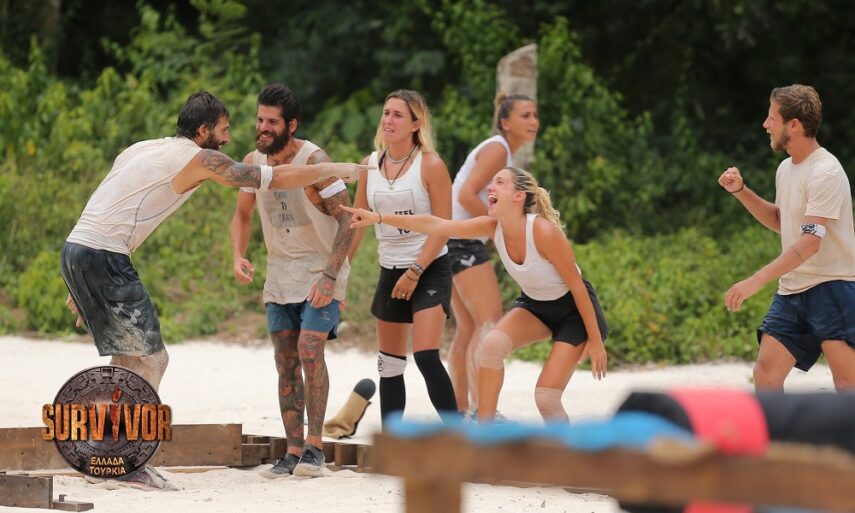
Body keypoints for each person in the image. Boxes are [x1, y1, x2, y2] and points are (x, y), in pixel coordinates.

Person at [61, 91, 359, 489]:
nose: (229, 137)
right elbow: (271, 179)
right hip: (105, 257)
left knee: (126, 357)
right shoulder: (200, 158)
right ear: (203, 131)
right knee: (152, 360)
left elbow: (108, 205)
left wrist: (81, 278)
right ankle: (127, 460)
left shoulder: (141, 148)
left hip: (79, 249)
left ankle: (105, 452)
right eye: (223, 129)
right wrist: (335, 169)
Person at [344, 166, 608, 422]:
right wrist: (379, 218)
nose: (490, 187)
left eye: (500, 182)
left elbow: (577, 287)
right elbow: (436, 225)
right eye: (491, 182)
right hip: (536, 306)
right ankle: (484, 432)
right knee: (491, 346)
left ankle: (565, 451)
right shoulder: (492, 227)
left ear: (519, 196)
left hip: (575, 312)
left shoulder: (543, 231)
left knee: (546, 398)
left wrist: (595, 341)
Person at [231, 84, 353, 478]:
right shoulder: (253, 163)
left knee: (309, 349)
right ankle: (293, 450)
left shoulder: (315, 161)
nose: (263, 128)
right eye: (260, 119)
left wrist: (331, 276)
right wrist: (238, 254)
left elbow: (349, 220)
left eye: (272, 122)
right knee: (284, 360)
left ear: (291, 125)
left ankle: (315, 449)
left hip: (320, 271)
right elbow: (243, 214)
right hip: (279, 274)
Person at [718, 84, 855, 391]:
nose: (765, 124)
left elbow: (809, 242)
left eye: (772, 118)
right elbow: (783, 221)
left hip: (832, 287)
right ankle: (773, 427)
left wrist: (755, 281)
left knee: (848, 385)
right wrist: (740, 191)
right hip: (793, 290)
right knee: (765, 375)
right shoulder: (785, 169)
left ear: (794, 125)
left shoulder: (825, 172)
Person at [348, 89, 458, 426]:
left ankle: (462, 440)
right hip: (390, 269)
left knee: (426, 355)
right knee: (389, 364)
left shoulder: (431, 164)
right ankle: (393, 443)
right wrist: (338, 271)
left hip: (429, 267)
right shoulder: (369, 164)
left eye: (398, 114)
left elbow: (444, 226)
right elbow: (357, 223)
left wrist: (416, 270)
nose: (388, 120)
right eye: (386, 113)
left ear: (416, 123)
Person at [447, 93, 539, 415]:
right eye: (525, 115)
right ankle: (480, 412)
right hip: (462, 241)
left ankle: (459, 414)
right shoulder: (498, 148)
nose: (533, 122)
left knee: (468, 329)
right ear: (505, 122)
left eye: (535, 115)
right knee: (488, 324)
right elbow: (465, 194)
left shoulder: (501, 150)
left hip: (451, 240)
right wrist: (498, 230)